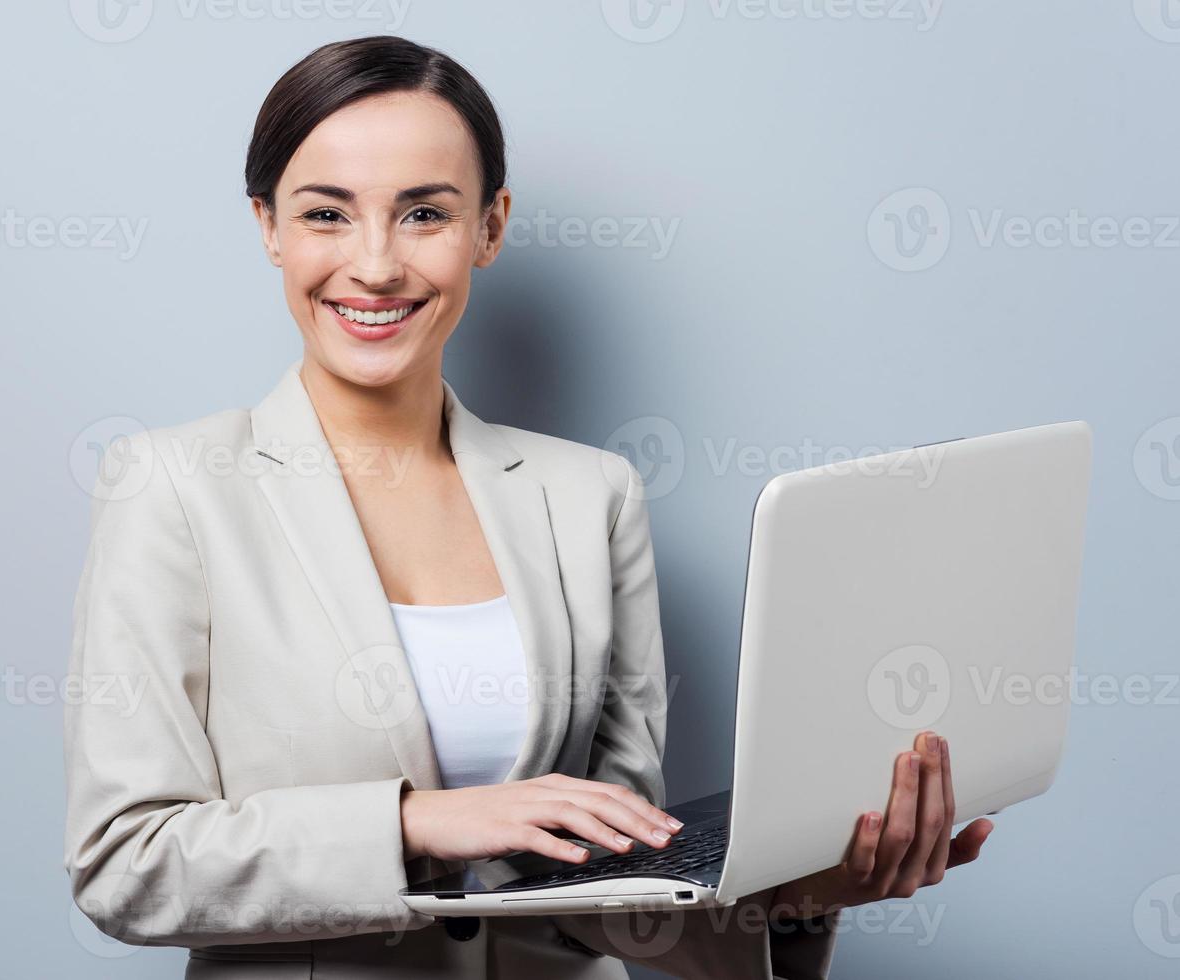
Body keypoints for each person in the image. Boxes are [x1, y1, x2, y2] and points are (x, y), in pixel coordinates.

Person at [63, 35, 994, 979]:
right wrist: (418, 822)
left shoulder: (588, 498)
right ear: (269, 226)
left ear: (489, 228)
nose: (375, 264)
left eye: (424, 212)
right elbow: (125, 864)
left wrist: (798, 895)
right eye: (326, 214)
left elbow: (609, 883)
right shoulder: (170, 488)